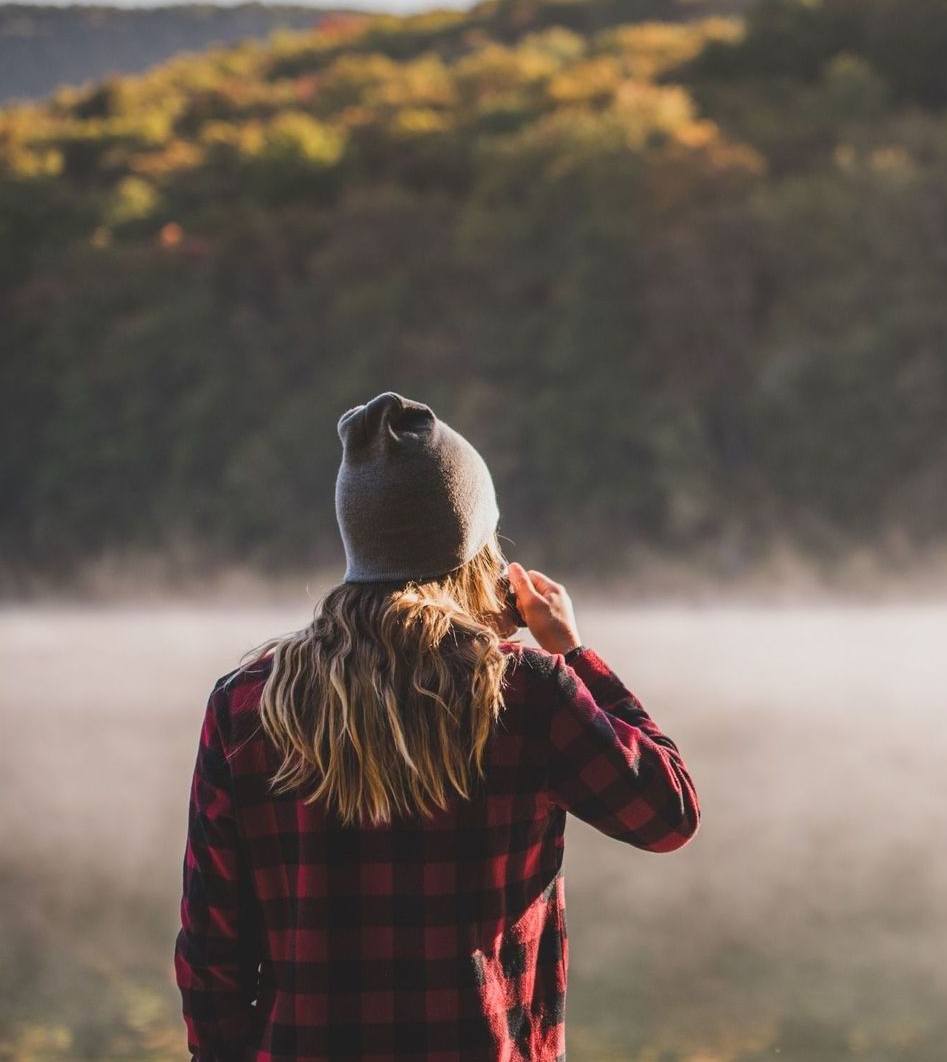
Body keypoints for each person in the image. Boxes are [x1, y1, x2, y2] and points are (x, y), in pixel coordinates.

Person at [174, 391, 699, 1062]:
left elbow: (212, 948)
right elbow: (668, 813)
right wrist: (571, 654)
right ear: (473, 548)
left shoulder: (248, 703)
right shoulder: (527, 690)